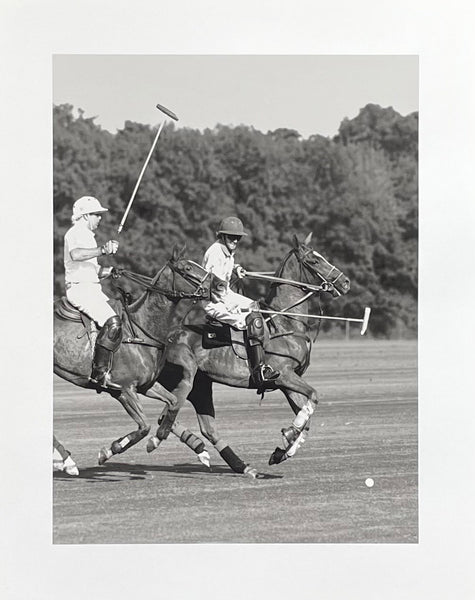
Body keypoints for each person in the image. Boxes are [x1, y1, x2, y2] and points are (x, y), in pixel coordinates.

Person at [202, 216, 279, 387]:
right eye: (231, 237)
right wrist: (234, 309)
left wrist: (236, 269)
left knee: (255, 307)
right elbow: (216, 287)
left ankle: (263, 356)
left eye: (238, 237)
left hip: (224, 295)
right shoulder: (215, 253)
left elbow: (227, 272)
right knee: (249, 320)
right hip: (214, 301)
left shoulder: (227, 251)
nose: (235, 240)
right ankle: (258, 370)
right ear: (222, 236)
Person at [64, 196, 122, 392]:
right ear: (86, 215)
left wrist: (109, 271)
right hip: (80, 289)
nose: (100, 218)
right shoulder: (75, 233)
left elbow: (91, 271)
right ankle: (99, 374)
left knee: (122, 315)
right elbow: (76, 255)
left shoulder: (87, 235)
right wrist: (103, 250)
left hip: (91, 287)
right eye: (97, 214)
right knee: (112, 321)